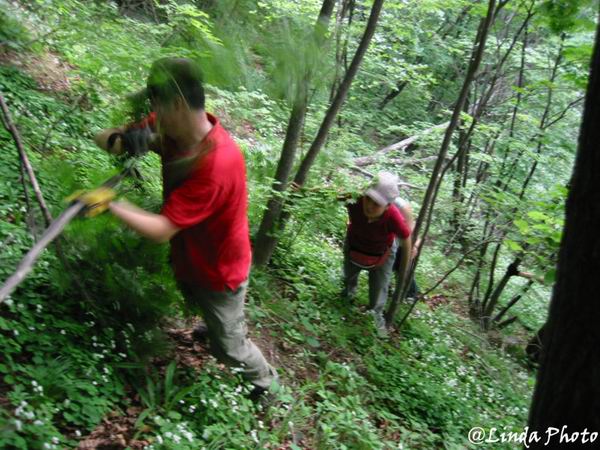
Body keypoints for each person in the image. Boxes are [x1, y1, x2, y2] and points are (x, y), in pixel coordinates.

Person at [87, 57, 278, 399]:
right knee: (208, 311)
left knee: (230, 348)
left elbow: (162, 229)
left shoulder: (216, 163)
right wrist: (122, 139)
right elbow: (104, 138)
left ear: (176, 104)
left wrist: (109, 203)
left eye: (157, 105)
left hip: (220, 270)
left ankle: (266, 383)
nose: (153, 114)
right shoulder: (171, 127)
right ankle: (215, 327)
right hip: (193, 252)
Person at [341, 172, 412, 332]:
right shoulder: (355, 199)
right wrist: (303, 191)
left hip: (382, 253)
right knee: (348, 276)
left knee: (379, 287)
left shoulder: (393, 216)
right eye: (368, 199)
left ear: (387, 205)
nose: (369, 206)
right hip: (354, 245)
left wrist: (403, 272)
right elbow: (330, 193)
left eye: (377, 204)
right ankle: (346, 298)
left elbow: (406, 239)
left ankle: (375, 317)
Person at [391, 197, 421, 300]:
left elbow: (412, 231)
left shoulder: (400, 205)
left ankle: (411, 294)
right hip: (387, 243)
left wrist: (414, 246)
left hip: (402, 245)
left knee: (402, 270)